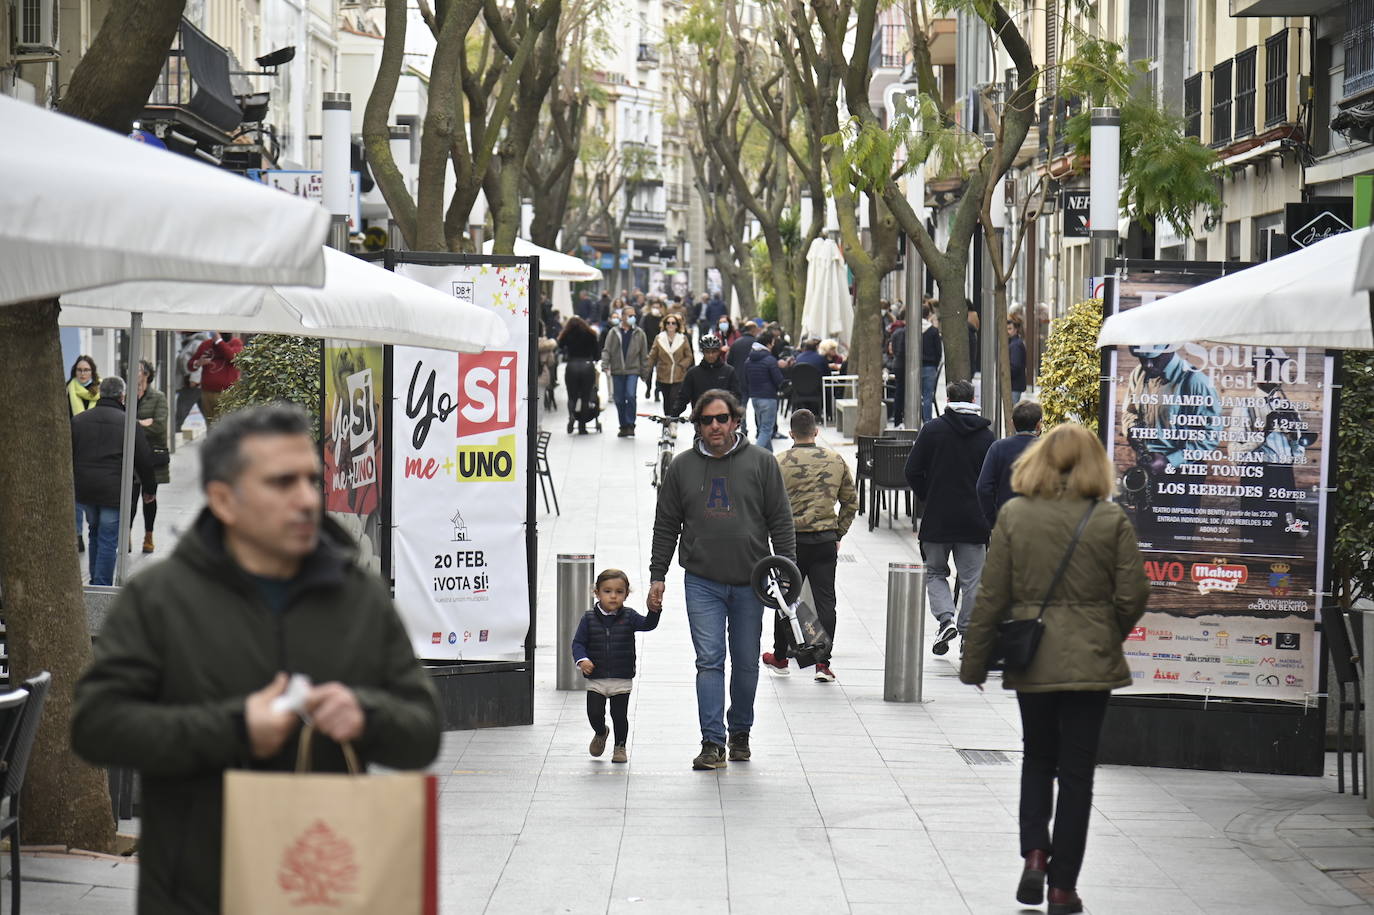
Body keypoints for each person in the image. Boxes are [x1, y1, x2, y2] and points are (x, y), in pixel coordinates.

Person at [71, 403, 442, 914]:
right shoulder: (160, 598)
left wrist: (366, 716)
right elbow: (96, 726)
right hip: (198, 890)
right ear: (224, 499)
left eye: (312, 480)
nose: (307, 499)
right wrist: (235, 727)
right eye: (281, 483)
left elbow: (423, 730)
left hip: (326, 888)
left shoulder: (360, 596)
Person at [959, 423, 1149, 915]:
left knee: (1038, 758)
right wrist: (1105, 633)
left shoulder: (1015, 516)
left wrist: (975, 660)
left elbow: (992, 595)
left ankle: (1035, 853)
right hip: (1092, 661)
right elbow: (1133, 596)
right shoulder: (1110, 519)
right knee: (1078, 772)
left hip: (1034, 656)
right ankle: (1063, 887)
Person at [648, 389, 796, 770]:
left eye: (721, 418)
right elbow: (666, 524)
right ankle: (712, 741)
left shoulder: (762, 463)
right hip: (702, 581)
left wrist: (789, 577)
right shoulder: (681, 467)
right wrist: (657, 575)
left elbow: (781, 521)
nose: (715, 426)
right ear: (697, 424)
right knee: (709, 660)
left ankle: (740, 732)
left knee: (746, 660)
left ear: (735, 421)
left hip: (751, 581)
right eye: (706, 420)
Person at [764, 409, 857, 682]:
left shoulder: (778, 462)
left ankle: (780, 657)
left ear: (791, 433)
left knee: (784, 600)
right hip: (824, 542)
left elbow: (764, 504)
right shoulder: (835, 459)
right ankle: (822, 663)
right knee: (826, 602)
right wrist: (838, 532)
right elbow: (851, 502)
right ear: (816, 431)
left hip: (789, 544)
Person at [904, 380, 995, 656]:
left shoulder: (932, 430)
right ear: (973, 399)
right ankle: (968, 635)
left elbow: (912, 470)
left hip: (938, 517)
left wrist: (927, 496)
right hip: (973, 520)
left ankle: (946, 620)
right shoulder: (987, 437)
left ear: (948, 399)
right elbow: (991, 482)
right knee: (973, 580)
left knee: (935, 572)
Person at [71, 376, 158, 586]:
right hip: (113, 490)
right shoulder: (128, 423)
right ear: (122, 396)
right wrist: (150, 488)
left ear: (101, 393)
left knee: (94, 532)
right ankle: (101, 586)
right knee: (108, 538)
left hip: (85, 489)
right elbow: (144, 458)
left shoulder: (79, 420)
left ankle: (94, 581)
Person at [571, 568, 662, 764]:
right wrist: (582, 660)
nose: (613, 596)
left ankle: (620, 747)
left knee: (619, 715)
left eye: (619, 592)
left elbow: (648, 624)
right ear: (597, 593)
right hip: (597, 678)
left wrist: (654, 610)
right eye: (607, 591)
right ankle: (601, 731)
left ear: (626, 594)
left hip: (621, 677)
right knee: (594, 713)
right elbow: (578, 643)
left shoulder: (629, 616)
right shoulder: (588, 618)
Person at [977, 399, 1043, 530]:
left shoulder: (998, 448)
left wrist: (993, 519)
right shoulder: (1047, 449)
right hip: (1039, 523)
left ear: (1012, 423)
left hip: (1007, 521)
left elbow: (983, 487)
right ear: (1038, 425)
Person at [132, 360, 171, 554]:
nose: (133, 372)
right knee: (129, 499)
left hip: (150, 457)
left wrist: (135, 425)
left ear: (146, 374)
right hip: (130, 456)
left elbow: (159, 426)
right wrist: (143, 423)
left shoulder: (158, 397)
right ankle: (127, 536)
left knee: (149, 497)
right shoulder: (127, 395)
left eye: (137, 370)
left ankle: (148, 535)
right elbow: (122, 424)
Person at [601, 305, 651, 437]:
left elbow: (644, 354)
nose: (633, 317)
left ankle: (630, 424)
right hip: (617, 370)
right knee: (619, 399)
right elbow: (607, 349)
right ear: (622, 317)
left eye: (634, 315)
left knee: (630, 395)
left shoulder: (639, 333)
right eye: (630, 315)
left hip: (632, 370)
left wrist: (645, 372)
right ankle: (623, 425)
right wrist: (605, 364)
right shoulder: (614, 332)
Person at [675, 334, 742, 414]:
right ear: (703, 352)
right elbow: (683, 397)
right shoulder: (693, 373)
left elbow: (736, 396)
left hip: (723, 417)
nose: (711, 355)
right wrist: (674, 414)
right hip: (701, 418)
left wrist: (735, 414)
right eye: (707, 352)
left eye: (714, 352)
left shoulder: (729, 371)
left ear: (718, 352)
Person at [191, 332, 244, 427]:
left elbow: (233, 357)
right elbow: (190, 365)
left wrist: (219, 341)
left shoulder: (236, 343)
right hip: (207, 392)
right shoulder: (206, 344)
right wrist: (198, 363)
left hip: (227, 393)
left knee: (226, 424)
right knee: (210, 423)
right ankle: (212, 440)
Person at [559, 316, 601, 434]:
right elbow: (597, 353)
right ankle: (582, 425)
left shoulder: (567, 334)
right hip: (587, 365)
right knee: (585, 397)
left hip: (572, 365)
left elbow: (560, 346)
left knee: (571, 396)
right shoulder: (590, 334)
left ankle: (571, 416)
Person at [744, 330, 786, 451]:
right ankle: (755, 455)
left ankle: (768, 456)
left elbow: (746, 379)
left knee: (763, 427)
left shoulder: (748, 360)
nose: (773, 345)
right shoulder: (770, 360)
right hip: (768, 398)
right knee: (767, 430)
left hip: (755, 398)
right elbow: (778, 380)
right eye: (772, 343)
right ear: (768, 344)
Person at [648, 312, 695, 416]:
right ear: (664, 325)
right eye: (668, 323)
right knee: (666, 399)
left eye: (673, 323)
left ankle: (673, 421)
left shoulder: (683, 338)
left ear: (677, 325)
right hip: (663, 374)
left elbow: (689, 355)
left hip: (678, 374)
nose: (670, 325)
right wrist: (646, 369)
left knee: (674, 398)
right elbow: (652, 355)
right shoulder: (659, 338)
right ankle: (667, 420)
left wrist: (682, 365)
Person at [920, 303, 942, 422]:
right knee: (928, 396)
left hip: (915, 368)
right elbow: (938, 351)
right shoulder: (933, 331)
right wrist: (936, 364)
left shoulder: (913, 330)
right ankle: (927, 420)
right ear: (928, 314)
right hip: (930, 366)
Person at [1008, 312, 1028, 403]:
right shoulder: (1015, 343)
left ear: (1016, 329)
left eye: (1010, 329)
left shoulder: (1015, 345)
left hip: (1014, 385)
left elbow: (1015, 366)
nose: (1008, 331)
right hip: (1015, 385)